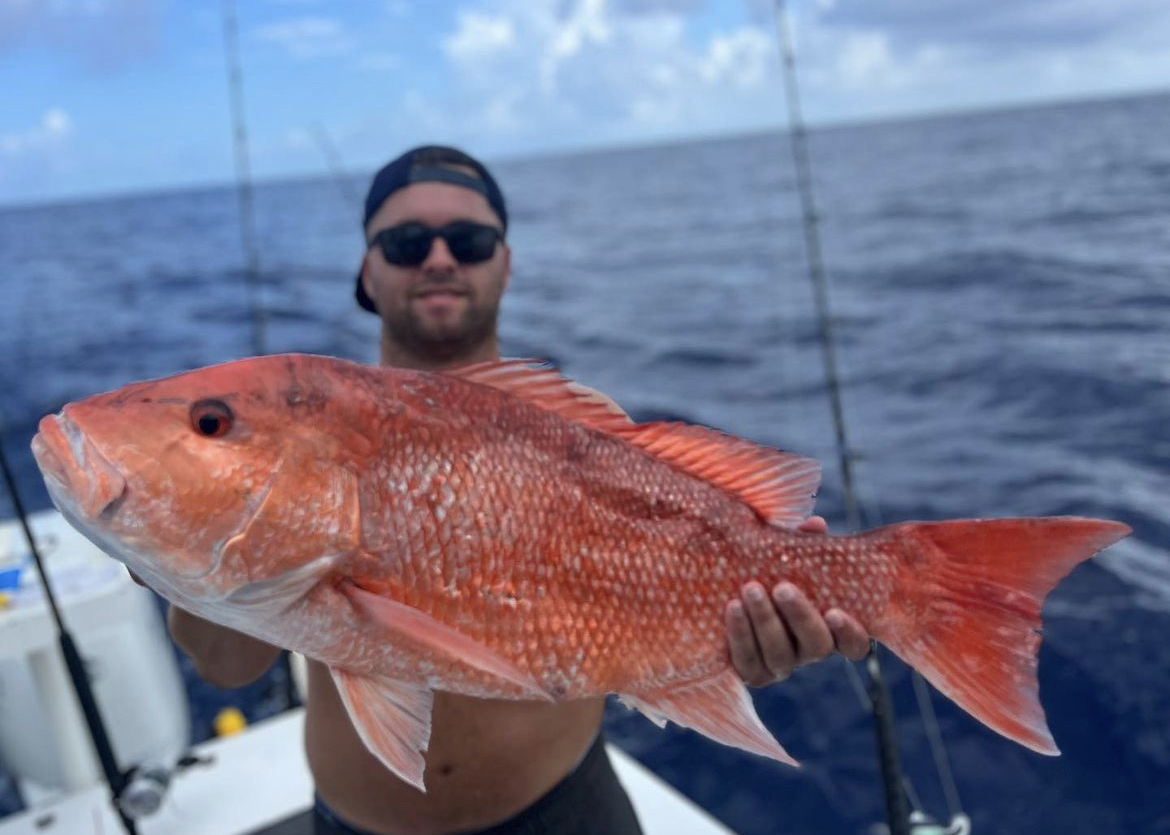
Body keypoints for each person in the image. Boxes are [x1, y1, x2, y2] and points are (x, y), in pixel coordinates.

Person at [164, 145, 870, 835]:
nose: (439, 259)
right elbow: (225, 665)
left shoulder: (580, 431)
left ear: (505, 263)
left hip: (568, 810)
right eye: (407, 242)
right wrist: (180, 529)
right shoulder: (297, 433)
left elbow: (696, 589)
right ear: (367, 271)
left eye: (469, 240)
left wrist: (756, 626)